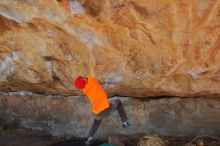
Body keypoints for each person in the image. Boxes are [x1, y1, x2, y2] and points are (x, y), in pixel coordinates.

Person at [74, 47, 130, 145]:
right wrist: (91, 50)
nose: (84, 76)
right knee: (117, 102)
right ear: (84, 81)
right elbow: (92, 65)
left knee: (97, 122)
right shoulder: (91, 82)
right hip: (105, 110)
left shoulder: (85, 90)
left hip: (97, 111)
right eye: (83, 77)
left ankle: (89, 138)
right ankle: (125, 122)